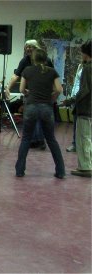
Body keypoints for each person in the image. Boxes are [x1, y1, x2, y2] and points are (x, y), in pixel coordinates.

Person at [15, 48, 65, 179]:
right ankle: (60, 171)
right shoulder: (52, 71)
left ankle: (20, 171)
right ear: (45, 59)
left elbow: (21, 89)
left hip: (31, 107)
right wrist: (52, 98)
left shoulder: (27, 70)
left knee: (26, 139)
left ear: (33, 59)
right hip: (46, 108)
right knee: (51, 140)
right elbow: (59, 89)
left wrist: (28, 93)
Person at [6, 39, 53, 150]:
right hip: (29, 95)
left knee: (40, 118)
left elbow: (52, 77)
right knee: (30, 118)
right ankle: (33, 140)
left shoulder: (47, 60)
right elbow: (16, 75)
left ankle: (40, 140)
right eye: (26, 47)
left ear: (36, 48)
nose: (28, 49)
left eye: (30, 46)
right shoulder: (24, 61)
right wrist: (7, 87)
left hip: (43, 95)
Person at [63, 40, 91, 177]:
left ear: (86, 53)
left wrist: (70, 100)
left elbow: (84, 90)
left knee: (83, 138)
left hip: (86, 108)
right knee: (88, 138)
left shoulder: (87, 68)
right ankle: (88, 164)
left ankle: (85, 167)